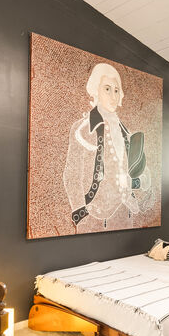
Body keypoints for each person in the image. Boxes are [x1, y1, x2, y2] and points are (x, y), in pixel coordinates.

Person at [63, 63, 150, 230]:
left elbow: (137, 172)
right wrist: (81, 212)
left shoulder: (126, 131)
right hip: (95, 215)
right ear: (96, 90)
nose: (113, 96)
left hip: (126, 212)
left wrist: (135, 182)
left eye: (116, 90)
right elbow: (72, 174)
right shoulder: (83, 128)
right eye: (107, 89)